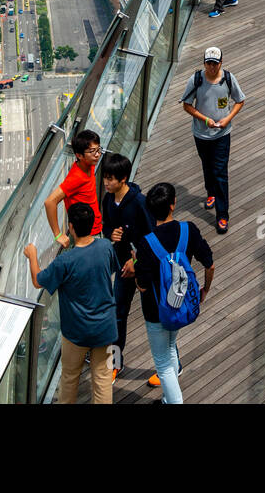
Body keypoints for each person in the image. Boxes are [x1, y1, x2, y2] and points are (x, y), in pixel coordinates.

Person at [25, 202, 119, 404]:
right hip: (105, 327)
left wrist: (32, 255)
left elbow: (37, 281)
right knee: (102, 378)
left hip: (76, 330)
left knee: (69, 378)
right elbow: (110, 269)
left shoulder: (65, 261)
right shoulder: (105, 247)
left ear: (71, 227)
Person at [135, 182, 214, 402]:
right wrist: (204, 290)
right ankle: (169, 399)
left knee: (162, 364)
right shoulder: (189, 229)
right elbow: (210, 264)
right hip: (180, 304)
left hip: (155, 311)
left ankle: (175, 401)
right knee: (170, 348)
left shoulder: (147, 243)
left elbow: (141, 284)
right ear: (173, 204)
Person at [181, 46, 245, 234]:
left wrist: (228, 118)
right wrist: (205, 120)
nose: (212, 67)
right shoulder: (196, 80)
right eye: (209, 63)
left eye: (215, 64)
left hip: (222, 135)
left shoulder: (228, 79)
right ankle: (211, 193)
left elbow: (239, 100)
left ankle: (222, 215)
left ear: (221, 63)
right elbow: (186, 105)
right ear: (204, 63)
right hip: (201, 133)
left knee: (220, 172)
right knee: (207, 165)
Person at [100, 152, 151, 381]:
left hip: (144, 269)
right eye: (105, 178)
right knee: (118, 314)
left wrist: (137, 261)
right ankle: (115, 363)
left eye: (111, 179)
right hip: (122, 268)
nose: (106, 183)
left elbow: (153, 238)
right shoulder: (107, 200)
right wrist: (111, 234)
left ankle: (171, 366)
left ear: (123, 179)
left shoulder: (140, 203)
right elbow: (105, 227)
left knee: (156, 317)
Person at [44, 128, 103, 247]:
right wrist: (58, 235)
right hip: (86, 234)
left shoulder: (88, 165)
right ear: (79, 155)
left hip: (96, 226)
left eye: (98, 149)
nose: (97, 155)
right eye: (92, 151)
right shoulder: (76, 178)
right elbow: (50, 202)